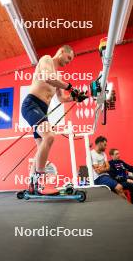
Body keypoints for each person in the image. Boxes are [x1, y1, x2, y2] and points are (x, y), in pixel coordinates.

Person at [21, 45, 87, 194]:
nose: (69, 61)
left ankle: (32, 184)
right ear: (62, 52)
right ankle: (39, 181)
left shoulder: (59, 77)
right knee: (50, 136)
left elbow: (61, 98)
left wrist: (75, 98)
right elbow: (46, 77)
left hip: (43, 111)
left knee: (41, 147)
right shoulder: (46, 59)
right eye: (69, 57)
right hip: (31, 104)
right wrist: (70, 86)